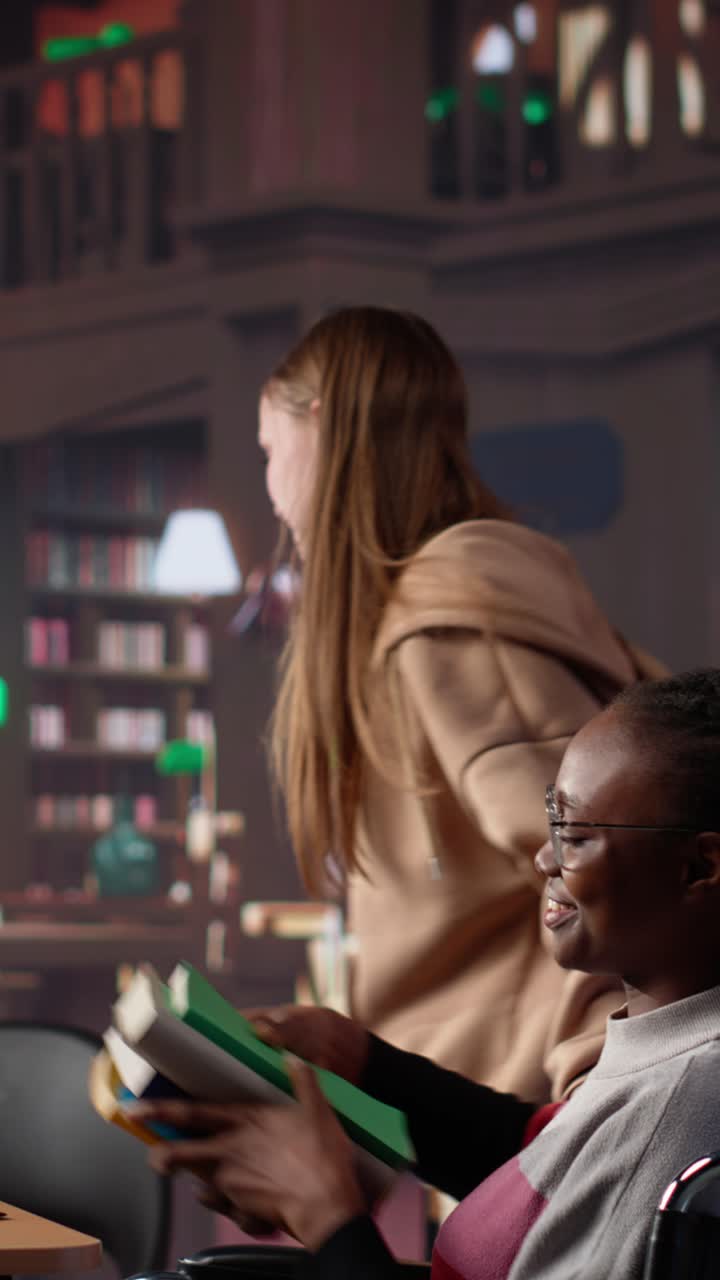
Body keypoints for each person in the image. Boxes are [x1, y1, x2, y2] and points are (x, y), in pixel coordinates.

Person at [134, 670, 720, 1280]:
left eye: (574, 834)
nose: (545, 856)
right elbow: (550, 1166)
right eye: (553, 821)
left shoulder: (675, 1113)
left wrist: (328, 1214)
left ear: (699, 866)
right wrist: (363, 1064)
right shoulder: (667, 1049)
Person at [256, 305, 663, 1102]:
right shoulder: (442, 605)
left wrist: (590, 1097)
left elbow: (610, 866)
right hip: (492, 1112)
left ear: (322, 425)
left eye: (269, 450)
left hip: (533, 1115)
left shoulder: (444, 617)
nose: (270, 491)